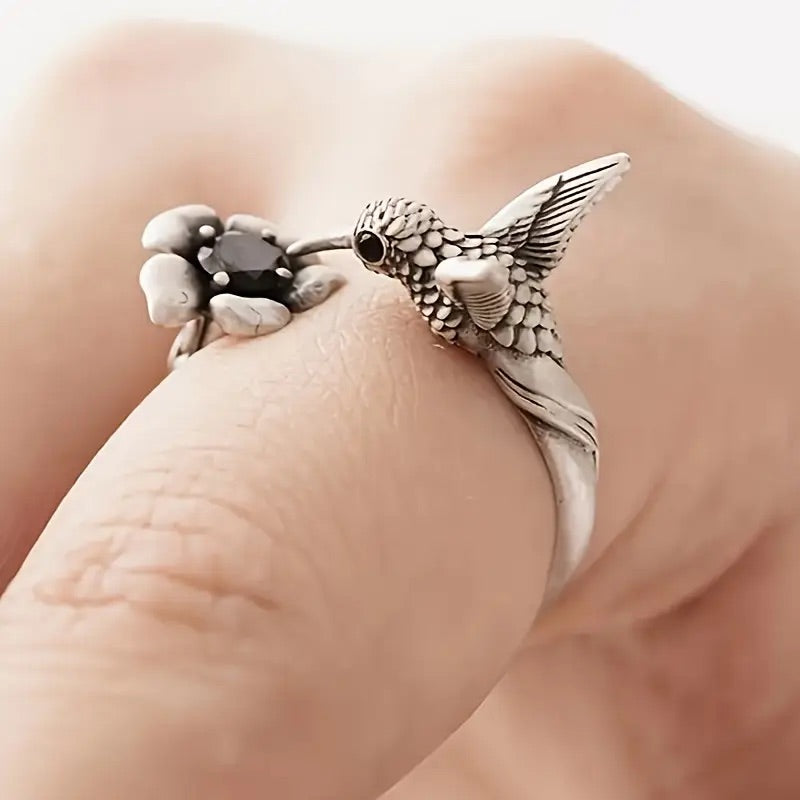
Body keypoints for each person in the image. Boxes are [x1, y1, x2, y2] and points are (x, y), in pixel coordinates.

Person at [0, 22, 798, 799]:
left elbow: (490, 286)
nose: (365, 260)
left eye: (374, 253)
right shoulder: (440, 278)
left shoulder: (462, 279)